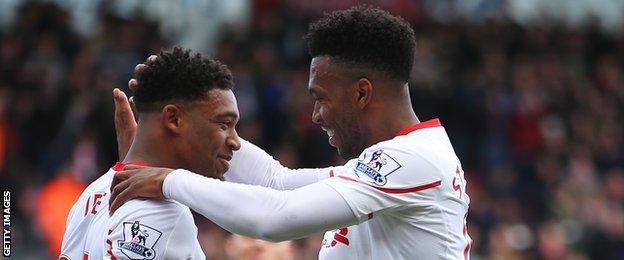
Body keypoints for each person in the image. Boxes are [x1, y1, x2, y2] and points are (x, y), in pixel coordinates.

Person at [111, 6, 472, 259]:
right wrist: (188, 124)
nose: (315, 114)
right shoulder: (391, 162)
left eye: (321, 98)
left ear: (362, 93)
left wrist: (169, 179)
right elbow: (276, 181)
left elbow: (276, 217)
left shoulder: (412, 160)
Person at [60, 47, 240, 259]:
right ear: (173, 119)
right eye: (224, 124)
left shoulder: (94, 192)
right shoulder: (162, 213)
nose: (236, 142)